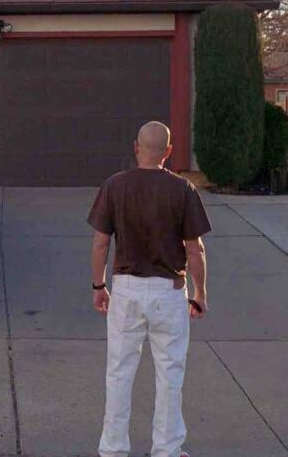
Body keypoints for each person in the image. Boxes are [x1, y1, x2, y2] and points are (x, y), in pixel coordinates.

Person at [87, 121, 211, 457]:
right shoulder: (183, 189)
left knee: (119, 372)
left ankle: (113, 450)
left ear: (136, 147)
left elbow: (101, 243)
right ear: (168, 152)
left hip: (125, 291)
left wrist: (99, 285)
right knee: (170, 374)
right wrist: (199, 294)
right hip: (169, 292)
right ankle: (166, 450)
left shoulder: (115, 186)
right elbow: (195, 249)